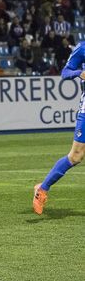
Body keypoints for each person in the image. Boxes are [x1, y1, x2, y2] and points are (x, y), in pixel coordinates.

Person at [32, 40, 85, 214]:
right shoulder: (82, 48)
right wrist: (80, 72)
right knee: (76, 156)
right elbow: (65, 72)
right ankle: (42, 189)